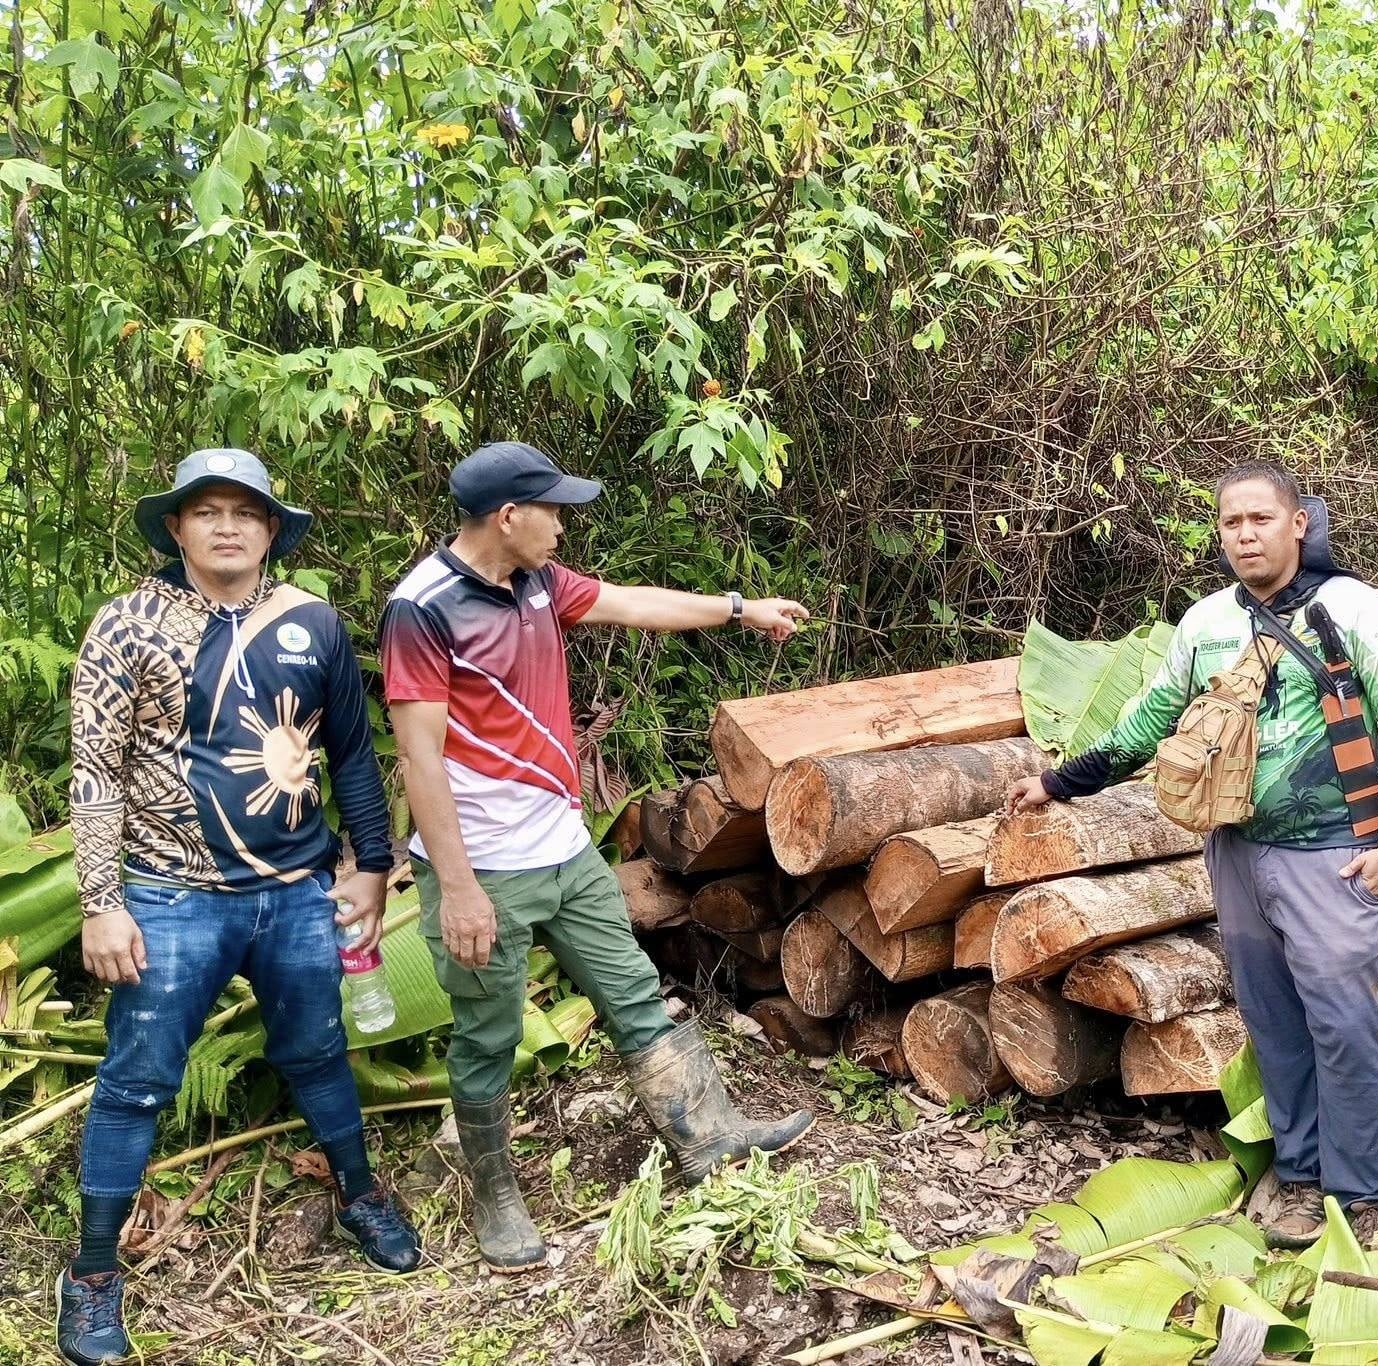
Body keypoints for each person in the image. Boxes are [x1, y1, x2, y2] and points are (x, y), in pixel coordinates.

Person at [380, 441, 813, 1273]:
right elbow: (419, 759)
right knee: (486, 1035)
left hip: (564, 852)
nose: (563, 527)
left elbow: (630, 602)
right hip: (485, 872)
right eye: (554, 511)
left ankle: (710, 1138)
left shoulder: (538, 582)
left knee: (635, 996)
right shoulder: (422, 609)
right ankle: (496, 1198)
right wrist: (461, 890)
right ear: (509, 517)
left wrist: (740, 607)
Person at [1009, 462, 1378, 1249]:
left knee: (1346, 1024)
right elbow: (1149, 721)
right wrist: (1057, 784)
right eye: (1232, 523)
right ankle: (1301, 1180)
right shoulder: (1205, 624)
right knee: (1274, 1021)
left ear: (1299, 522)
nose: (1246, 535)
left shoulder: (1354, 610)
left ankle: (1367, 1197)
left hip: (1335, 852)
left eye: (1261, 520)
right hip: (1237, 851)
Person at [59, 449, 420, 1365]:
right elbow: (96, 772)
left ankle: (358, 1195)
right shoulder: (126, 625)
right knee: (137, 1078)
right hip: (170, 895)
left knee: (318, 1050)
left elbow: (349, 754)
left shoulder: (312, 622)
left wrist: (370, 866)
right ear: (176, 527)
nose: (227, 526)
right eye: (206, 510)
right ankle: (94, 1275)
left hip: (298, 889)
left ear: (271, 530)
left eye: (246, 512)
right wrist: (102, 902)